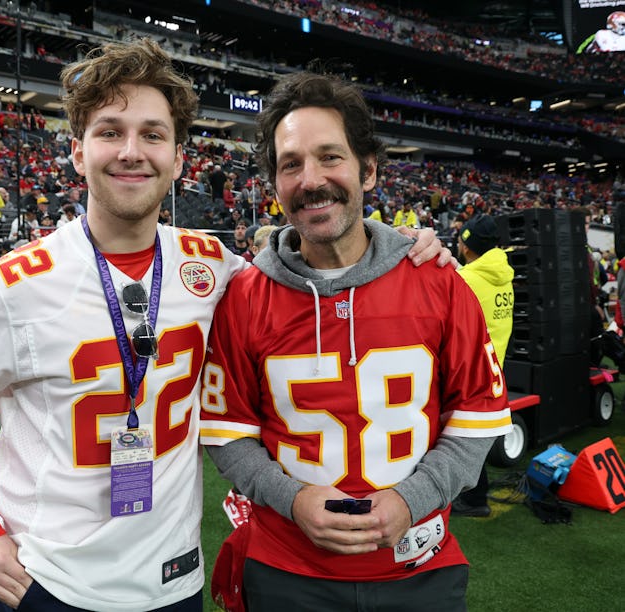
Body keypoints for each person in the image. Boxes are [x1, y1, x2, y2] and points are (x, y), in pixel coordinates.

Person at [0, 40, 448, 612]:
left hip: (175, 576)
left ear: (177, 157)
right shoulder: (11, 286)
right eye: (109, 131)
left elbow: (312, 264)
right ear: (76, 152)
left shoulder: (215, 267)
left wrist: (402, 247)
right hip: (52, 578)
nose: (131, 151)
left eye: (152, 134)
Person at [199, 71, 512, 612]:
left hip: (419, 562)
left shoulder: (439, 281)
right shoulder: (244, 295)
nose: (310, 179)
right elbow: (227, 434)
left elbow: (479, 418)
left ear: (368, 170)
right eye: (290, 164)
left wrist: (412, 499)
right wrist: (292, 499)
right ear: (274, 184)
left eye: (329, 156)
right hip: (286, 568)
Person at [451, 214, 514, 517]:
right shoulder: (503, 276)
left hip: (470, 370)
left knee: (462, 439)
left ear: (466, 245)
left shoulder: (466, 280)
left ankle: (475, 500)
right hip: (494, 365)